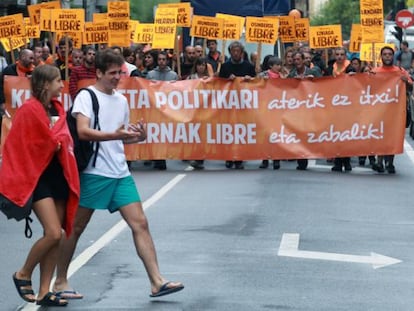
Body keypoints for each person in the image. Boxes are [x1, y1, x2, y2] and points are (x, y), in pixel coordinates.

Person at [53, 49, 184, 299]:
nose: (117, 78)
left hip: (120, 172)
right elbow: (83, 132)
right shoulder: (86, 96)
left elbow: (120, 139)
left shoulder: (122, 100)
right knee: (75, 227)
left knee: (140, 223)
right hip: (94, 172)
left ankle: (157, 281)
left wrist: (137, 137)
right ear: (99, 73)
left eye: (119, 73)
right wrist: (118, 135)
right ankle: (60, 281)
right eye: (112, 73)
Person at [0, 64, 80, 306]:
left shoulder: (56, 109)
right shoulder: (28, 109)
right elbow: (23, 145)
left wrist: (58, 142)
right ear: (46, 84)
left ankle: (45, 292)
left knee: (57, 235)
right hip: (37, 177)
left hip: (58, 175)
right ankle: (23, 272)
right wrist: (51, 142)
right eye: (57, 81)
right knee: (54, 232)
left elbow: (63, 138)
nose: (61, 85)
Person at [371, 46, 413, 174]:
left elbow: (411, 88)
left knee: (392, 137)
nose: (387, 56)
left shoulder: (400, 71)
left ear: (393, 56)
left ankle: (390, 163)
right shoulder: (375, 71)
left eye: (390, 54)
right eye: (385, 54)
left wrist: (407, 82)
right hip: (379, 111)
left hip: (395, 112)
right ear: (381, 57)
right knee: (380, 136)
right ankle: (379, 161)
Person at [219, 41, 256, 170]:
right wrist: (226, 80)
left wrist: (249, 80)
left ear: (242, 52)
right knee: (228, 131)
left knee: (241, 132)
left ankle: (239, 157)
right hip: (228, 105)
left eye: (238, 51)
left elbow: (256, 84)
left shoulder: (249, 66)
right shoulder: (225, 67)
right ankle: (229, 157)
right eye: (233, 51)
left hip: (243, 105)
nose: (235, 53)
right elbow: (218, 84)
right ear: (230, 52)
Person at [287, 51, 321, 170]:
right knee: (300, 133)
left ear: (303, 60)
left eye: (298, 59)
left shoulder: (313, 72)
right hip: (298, 109)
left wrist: (314, 80)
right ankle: (302, 159)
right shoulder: (291, 75)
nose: (296, 62)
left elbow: (324, 85)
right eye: (294, 60)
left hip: (312, 107)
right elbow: (285, 90)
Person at [146, 51, 178, 170]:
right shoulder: (150, 74)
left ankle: (162, 157)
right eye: (159, 59)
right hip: (154, 109)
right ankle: (157, 158)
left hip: (168, 109)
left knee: (164, 134)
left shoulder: (173, 75)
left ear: (167, 61)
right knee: (156, 134)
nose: (161, 62)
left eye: (164, 59)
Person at [258, 56, 286, 170]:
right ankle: (265, 158)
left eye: (280, 65)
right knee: (266, 135)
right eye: (277, 65)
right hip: (265, 108)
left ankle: (276, 159)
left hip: (277, 109)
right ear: (271, 66)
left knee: (276, 135)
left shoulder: (282, 76)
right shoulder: (263, 75)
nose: (279, 67)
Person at [328, 47, 352, 172]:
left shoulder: (350, 68)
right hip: (333, 105)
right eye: (337, 54)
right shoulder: (330, 68)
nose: (339, 57)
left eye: (342, 54)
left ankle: (346, 161)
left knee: (346, 135)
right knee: (336, 135)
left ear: (345, 55)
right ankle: (338, 161)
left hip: (347, 105)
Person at [187, 57, 213, 169]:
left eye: (203, 65)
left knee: (203, 135)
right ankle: (195, 156)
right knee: (194, 134)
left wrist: (211, 80)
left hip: (206, 110)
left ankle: (200, 158)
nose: (201, 67)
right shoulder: (191, 78)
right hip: (193, 110)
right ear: (195, 66)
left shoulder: (210, 79)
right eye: (199, 65)